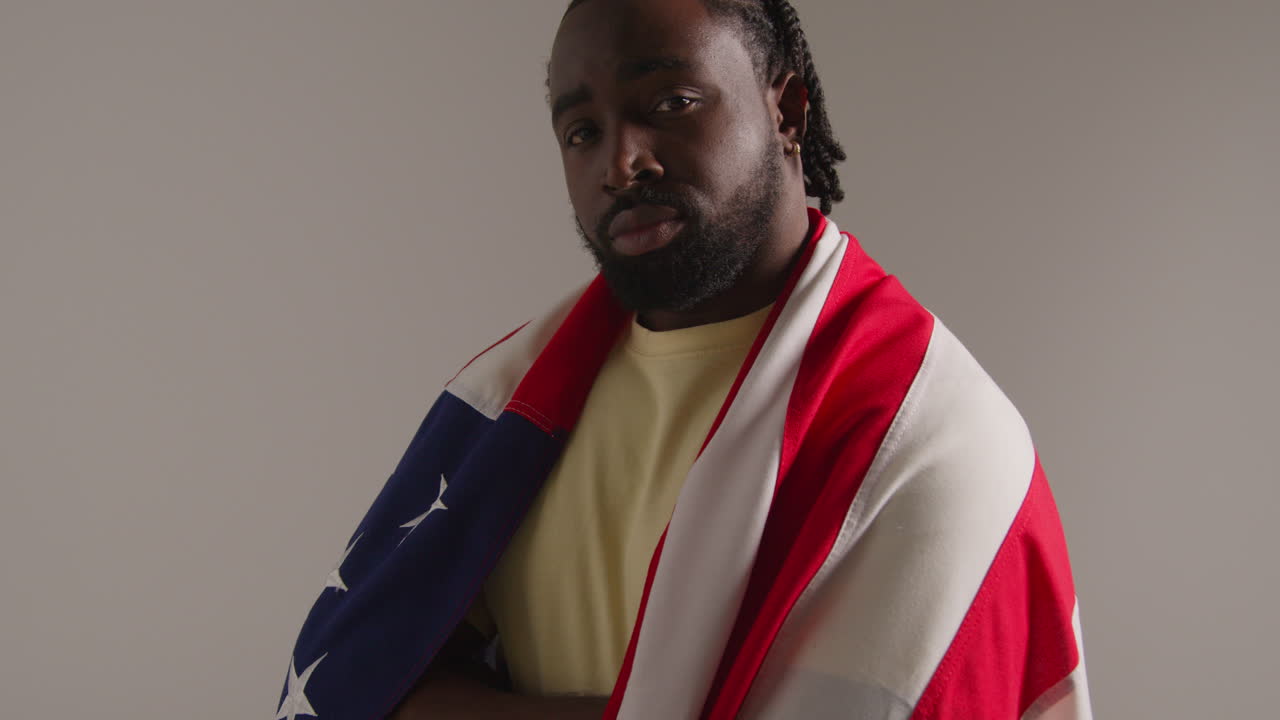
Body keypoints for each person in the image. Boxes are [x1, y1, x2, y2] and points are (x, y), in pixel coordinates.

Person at [277, 1, 1092, 718]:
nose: (621, 162)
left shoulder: (932, 435)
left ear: (788, 110)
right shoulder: (507, 413)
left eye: (671, 102)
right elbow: (364, 681)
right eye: (582, 131)